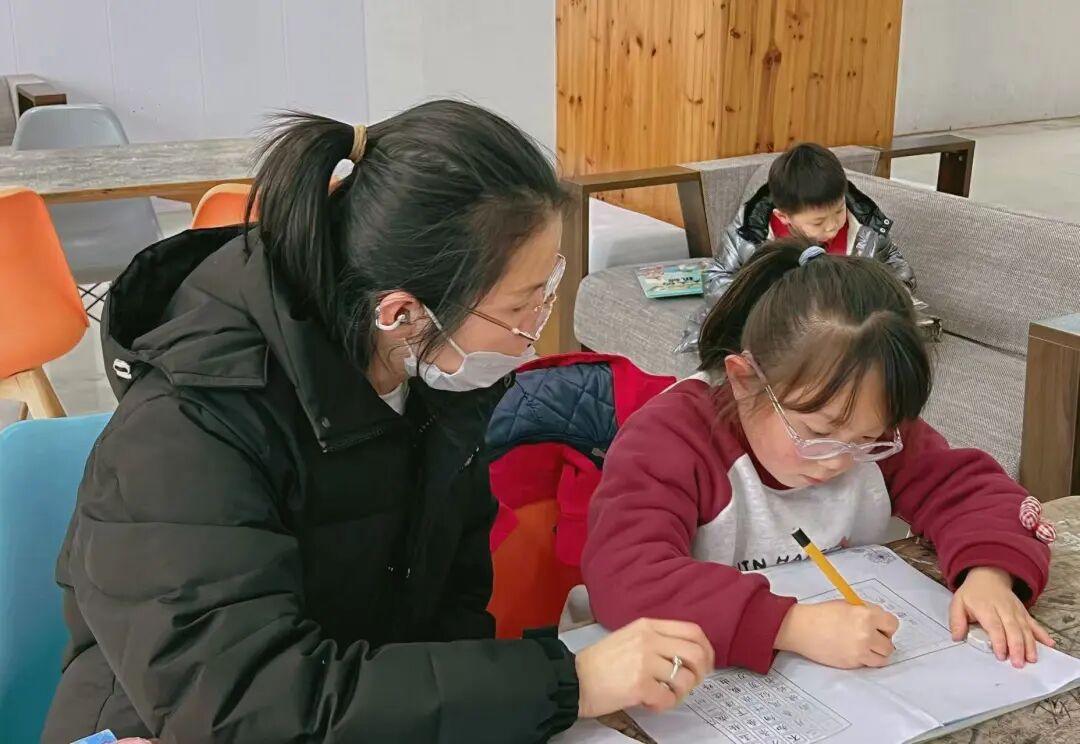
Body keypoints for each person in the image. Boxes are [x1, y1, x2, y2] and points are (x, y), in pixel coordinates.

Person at [43, 100, 715, 744]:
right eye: (521, 307)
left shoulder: (431, 381)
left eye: (548, 288)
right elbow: (249, 702)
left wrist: (498, 711)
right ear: (401, 313)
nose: (534, 332)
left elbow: (454, 605)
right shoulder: (183, 435)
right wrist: (562, 684)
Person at [582, 239, 1054, 675]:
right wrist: (788, 626)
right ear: (745, 381)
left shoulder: (870, 428)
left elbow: (972, 491)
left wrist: (990, 574)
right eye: (818, 433)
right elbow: (625, 576)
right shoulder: (674, 440)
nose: (840, 460)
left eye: (867, 439)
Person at [676, 143, 930, 354]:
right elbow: (716, 277)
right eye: (818, 222)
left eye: (839, 211)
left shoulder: (866, 228)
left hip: (843, 327)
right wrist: (760, 301)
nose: (832, 226)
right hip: (771, 327)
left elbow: (898, 268)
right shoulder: (750, 233)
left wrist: (883, 292)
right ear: (784, 216)